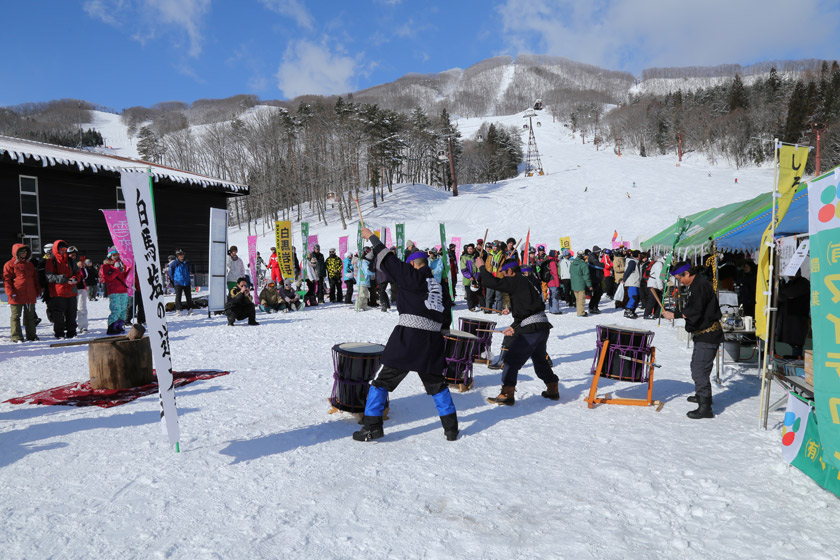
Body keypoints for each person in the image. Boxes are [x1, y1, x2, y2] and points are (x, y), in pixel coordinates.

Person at [352, 228, 458, 442]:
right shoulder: (440, 286)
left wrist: (371, 238)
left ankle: (372, 427)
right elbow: (446, 318)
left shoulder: (412, 276)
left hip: (409, 339)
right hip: (432, 342)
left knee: (381, 382)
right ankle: (451, 429)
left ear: (411, 264)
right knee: (437, 385)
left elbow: (389, 260)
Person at [474, 254, 560, 404]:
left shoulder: (515, 280)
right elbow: (526, 308)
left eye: (505, 274)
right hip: (541, 326)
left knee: (511, 361)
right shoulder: (528, 280)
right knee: (540, 360)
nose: (504, 277)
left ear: (511, 272)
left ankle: (507, 394)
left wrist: (481, 266)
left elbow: (490, 282)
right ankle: (553, 388)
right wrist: (515, 327)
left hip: (532, 329)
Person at [662, 262, 722, 419]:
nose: (679, 281)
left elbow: (695, 310)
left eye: (679, 278)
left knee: (700, 369)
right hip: (702, 333)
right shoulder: (696, 285)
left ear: (687, 274)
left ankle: (705, 407)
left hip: (709, 334)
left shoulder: (700, 286)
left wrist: (673, 315)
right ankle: (702, 395)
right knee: (696, 365)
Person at [4, 244, 40, 342]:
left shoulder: (30, 264)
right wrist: (10, 293)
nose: (24, 254)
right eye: (22, 252)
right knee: (16, 316)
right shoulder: (9, 264)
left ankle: (32, 335)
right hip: (16, 295)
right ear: (16, 253)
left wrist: (37, 290)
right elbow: (7, 280)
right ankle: (16, 336)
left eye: (25, 252)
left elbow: (35, 279)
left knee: (30, 317)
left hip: (29, 295)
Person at [45, 240, 82, 339]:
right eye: (61, 249)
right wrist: (64, 279)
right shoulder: (51, 261)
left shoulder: (70, 261)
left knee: (72, 312)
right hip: (58, 292)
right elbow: (49, 276)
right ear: (56, 249)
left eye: (65, 249)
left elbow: (78, 273)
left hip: (71, 291)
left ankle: (71, 331)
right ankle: (59, 332)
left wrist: (75, 279)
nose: (63, 251)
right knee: (58, 314)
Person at [102, 247, 131, 334]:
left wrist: (129, 269)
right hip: (114, 291)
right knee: (116, 310)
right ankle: (112, 327)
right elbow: (108, 278)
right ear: (110, 256)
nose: (116, 257)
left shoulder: (120, 264)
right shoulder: (106, 266)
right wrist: (116, 269)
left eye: (117, 254)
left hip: (123, 290)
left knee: (123, 310)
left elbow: (123, 277)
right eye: (114, 255)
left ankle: (119, 325)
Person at [67, 247, 89, 333]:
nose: (73, 256)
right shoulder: (65, 263)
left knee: (82, 307)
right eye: (71, 254)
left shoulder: (79, 264)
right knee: (70, 309)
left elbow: (85, 276)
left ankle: (83, 326)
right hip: (70, 288)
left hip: (80, 288)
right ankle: (69, 325)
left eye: (74, 255)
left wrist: (83, 268)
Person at [168, 249, 193, 316]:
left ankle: (190, 309)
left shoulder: (187, 262)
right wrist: (173, 280)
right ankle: (178, 309)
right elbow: (170, 273)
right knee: (178, 296)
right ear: (177, 256)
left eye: (182, 254)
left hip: (186, 281)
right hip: (178, 281)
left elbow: (188, 271)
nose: (182, 256)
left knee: (189, 296)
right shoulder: (174, 263)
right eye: (180, 255)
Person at [570, 251, 591, 317]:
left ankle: (579, 311)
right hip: (580, 284)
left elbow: (570, 272)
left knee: (577, 299)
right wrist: (589, 285)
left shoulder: (572, 263)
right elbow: (586, 275)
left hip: (574, 284)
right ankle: (581, 313)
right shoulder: (583, 264)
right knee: (581, 299)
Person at [644, 255, 665, 319]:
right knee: (652, 300)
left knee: (659, 300)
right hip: (653, 284)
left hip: (655, 284)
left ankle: (657, 313)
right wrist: (660, 286)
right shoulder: (659, 265)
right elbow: (659, 276)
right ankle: (647, 314)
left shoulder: (660, 264)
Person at [622, 250, 641, 318]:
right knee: (633, 297)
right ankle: (628, 311)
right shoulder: (632, 262)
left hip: (635, 282)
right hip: (632, 282)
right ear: (637, 255)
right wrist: (624, 279)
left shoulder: (635, 262)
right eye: (639, 255)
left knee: (636, 298)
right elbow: (628, 271)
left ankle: (632, 311)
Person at [460, 243, 479, 311]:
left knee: (476, 292)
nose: (469, 250)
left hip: (475, 278)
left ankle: (476, 304)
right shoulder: (464, 257)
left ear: (473, 249)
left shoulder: (476, 257)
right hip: (467, 279)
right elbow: (463, 269)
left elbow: (478, 267)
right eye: (468, 249)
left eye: (471, 249)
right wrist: (469, 276)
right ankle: (471, 307)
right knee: (469, 294)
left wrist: (477, 276)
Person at [587, 246, 604, 314]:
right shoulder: (592, 256)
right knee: (596, 293)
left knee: (598, 293)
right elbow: (596, 263)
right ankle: (592, 307)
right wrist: (602, 265)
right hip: (594, 278)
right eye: (598, 252)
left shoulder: (595, 256)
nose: (599, 253)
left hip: (597, 277)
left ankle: (594, 306)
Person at [545, 250, 562, 314]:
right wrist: (558, 284)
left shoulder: (548, 261)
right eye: (556, 254)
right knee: (555, 296)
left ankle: (551, 309)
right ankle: (555, 310)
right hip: (553, 282)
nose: (557, 256)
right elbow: (555, 274)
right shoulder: (553, 262)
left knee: (552, 296)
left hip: (549, 281)